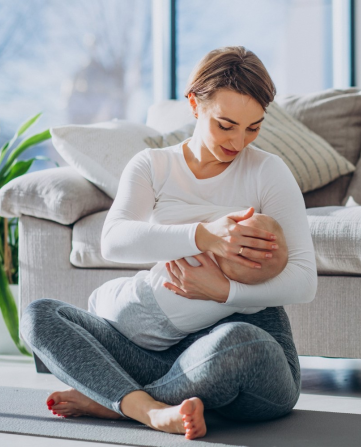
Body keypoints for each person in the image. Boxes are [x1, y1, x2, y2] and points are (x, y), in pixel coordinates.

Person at [20, 46, 317, 441]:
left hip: (244, 359)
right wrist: (204, 234)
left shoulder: (268, 172)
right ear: (194, 104)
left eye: (253, 127)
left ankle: (118, 402)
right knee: (39, 315)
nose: (239, 142)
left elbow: (304, 280)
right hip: (159, 353)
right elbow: (114, 240)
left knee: (239, 343)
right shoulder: (153, 166)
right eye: (225, 125)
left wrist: (224, 291)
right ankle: (154, 410)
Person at [88, 207, 289, 351]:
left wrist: (208, 233)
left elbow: (166, 238)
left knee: (97, 298)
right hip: (160, 341)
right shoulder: (244, 302)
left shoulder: (198, 253)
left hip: (136, 299)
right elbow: (262, 301)